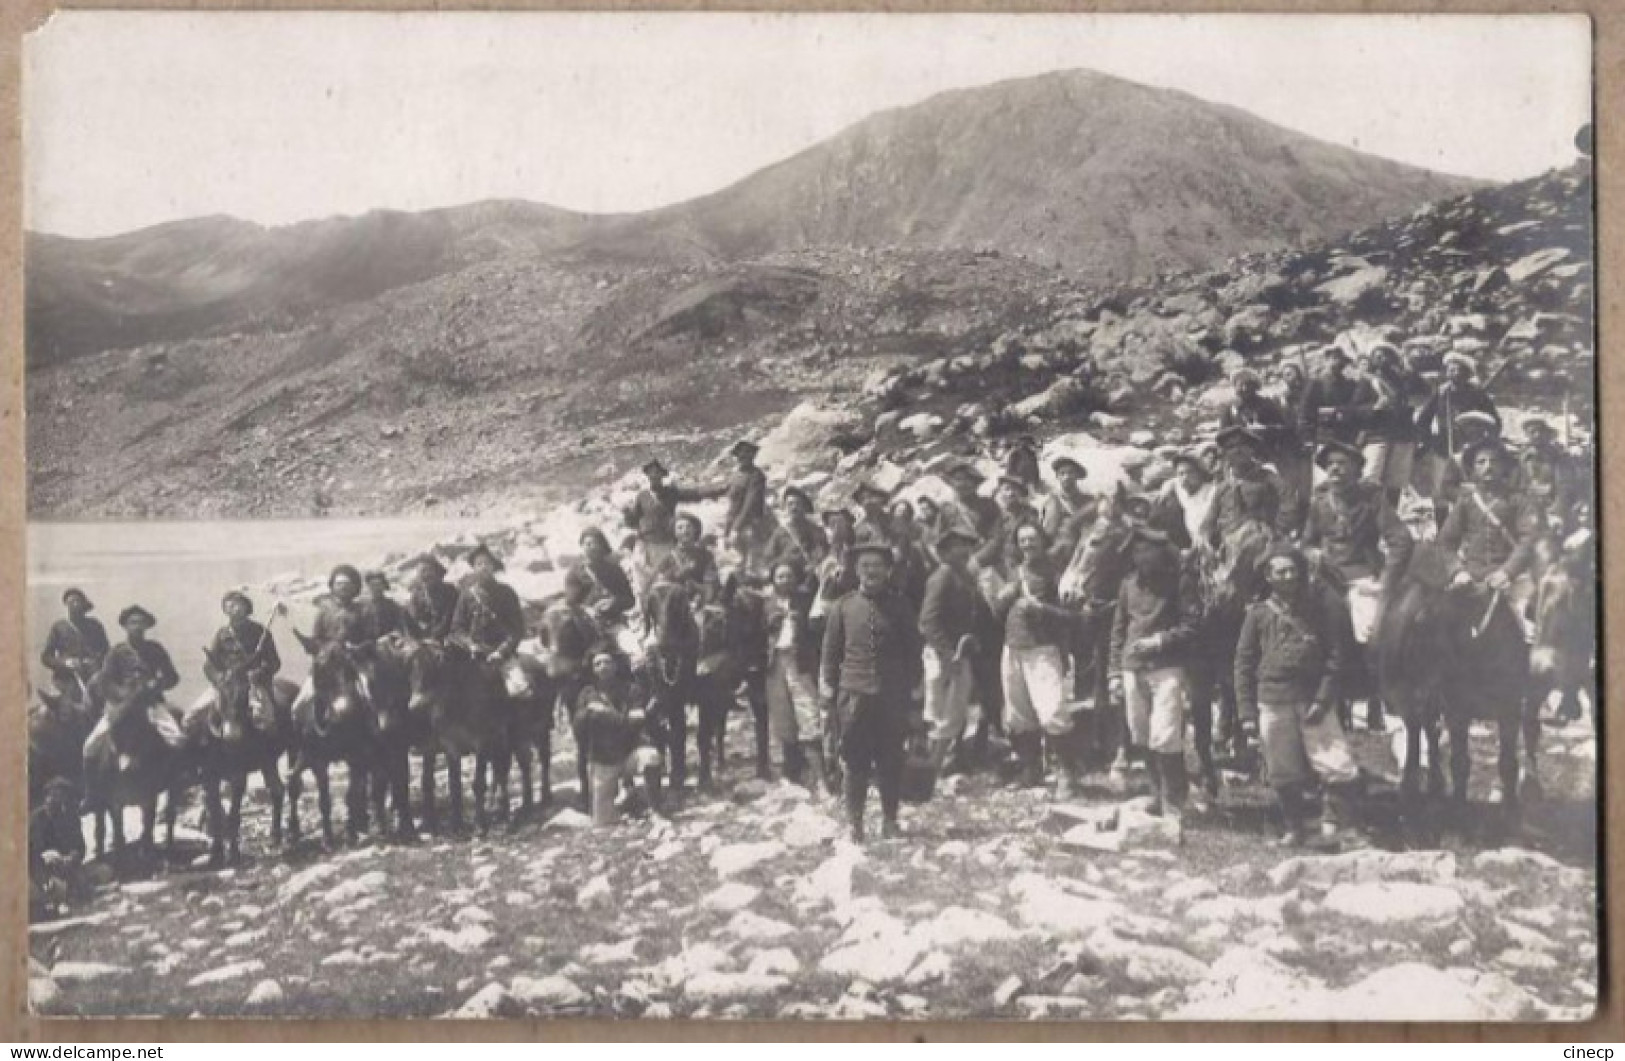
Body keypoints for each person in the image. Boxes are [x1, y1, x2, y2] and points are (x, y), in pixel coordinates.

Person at [1234, 543, 1363, 849]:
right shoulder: (1258, 614)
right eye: (1281, 571)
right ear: (1269, 576)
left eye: (1292, 570)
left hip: (1312, 701)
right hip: (1272, 700)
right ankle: (1294, 829)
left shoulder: (1318, 611)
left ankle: (1341, 828)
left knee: (1337, 764)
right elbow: (1243, 663)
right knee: (1282, 770)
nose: (1288, 577)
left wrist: (1323, 699)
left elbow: (1335, 657)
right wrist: (1247, 714)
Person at [1300, 441, 1414, 732]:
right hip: (1325, 577)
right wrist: (1313, 554)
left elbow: (1400, 539)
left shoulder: (1372, 500)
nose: (1335, 469)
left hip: (1362, 576)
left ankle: (1374, 699)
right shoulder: (1319, 502)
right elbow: (1308, 540)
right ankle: (1323, 700)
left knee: (1371, 632)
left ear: (1356, 470)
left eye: (1342, 464)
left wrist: (1386, 582)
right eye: (1330, 465)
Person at [820, 541, 924, 842]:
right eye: (865, 566)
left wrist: (914, 693)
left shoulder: (901, 606)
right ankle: (855, 824)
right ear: (856, 570)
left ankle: (890, 821)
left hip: (892, 697)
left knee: (891, 758)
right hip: (853, 697)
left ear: (887, 571)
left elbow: (913, 653)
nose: (871, 571)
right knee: (854, 761)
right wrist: (828, 693)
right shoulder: (843, 606)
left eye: (877, 566)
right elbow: (830, 654)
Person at [1109, 526, 1202, 836]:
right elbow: (1118, 631)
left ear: (1161, 552)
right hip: (1132, 666)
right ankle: (1156, 791)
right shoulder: (1127, 585)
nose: (1142, 557)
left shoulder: (1179, 582)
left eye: (1148, 551)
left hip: (1167, 666)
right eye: (1136, 552)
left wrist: (1160, 641)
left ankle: (1174, 800)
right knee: (1141, 733)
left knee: (1165, 734)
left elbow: (1192, 626)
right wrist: (1113, 673)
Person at [998, 526, 1084, 798]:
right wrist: (1003, 597)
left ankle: (1067, 775)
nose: (1027, 544)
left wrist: (1041, 608)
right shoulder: (1013, 572)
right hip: (1012, 648)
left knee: (1052, 713)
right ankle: (1030, 770)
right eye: (1022, 539)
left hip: (1042, 649)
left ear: (1043, 541)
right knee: (1018, 715)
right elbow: (996, 611)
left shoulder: (1056, 574)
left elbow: (1073, 616)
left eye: (1032, 539)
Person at [1436, 438, 1546, 629]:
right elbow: (1446, 541)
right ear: (1473, 469)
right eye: (1481, 462)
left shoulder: (1519, 500)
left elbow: (1529, 539)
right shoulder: (1466, 502)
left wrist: (1508, 572)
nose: (1488, 466)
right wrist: (1457, 572)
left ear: (1504, 467)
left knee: (1529, 628)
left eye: (1494, 461)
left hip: (1512, 581)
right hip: (1471, 582)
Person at [572, 642, 664, 823]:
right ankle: (628, 799)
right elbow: (578, 727)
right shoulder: (587, 694)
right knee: (602, 822)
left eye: (607, 662)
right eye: (597, 664)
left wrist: (604, 714)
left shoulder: (632, 690)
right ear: (593, 670)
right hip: (603, 760)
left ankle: (655, 809)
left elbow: (635, 724)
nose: (602, 667)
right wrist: (588, 714)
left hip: (630, 753)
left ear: (615, 666)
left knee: (651, 756)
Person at [918, 528, 982, 777]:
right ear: (944, 552)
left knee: (953, 708)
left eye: (966, 545)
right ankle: (930, 768)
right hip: (943, 654)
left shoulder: (963, 576)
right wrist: (947, 655)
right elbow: (928, 620)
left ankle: (939, 764)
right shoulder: (943, 576)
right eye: (956, 546)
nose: (963, 550)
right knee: (941, 711)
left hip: (959, 650)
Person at [762, 559, 828, 796]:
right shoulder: (766, 604)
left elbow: (816, 629)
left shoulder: (806, 600)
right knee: (782, 717)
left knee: (808, 713)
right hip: (774, 663)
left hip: (800, 662)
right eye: (780, 576)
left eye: (789, 576)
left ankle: (821, 778)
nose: (784, 581)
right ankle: (792, 774)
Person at [623, 458, 724, 596]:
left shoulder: (671, 493)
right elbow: (632, 521)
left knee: (665, 579)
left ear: (662, 476)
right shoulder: (642, 496)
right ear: (647, 476)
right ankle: (644, 609)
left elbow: (695, 494)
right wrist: (626, 513)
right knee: (642, 580)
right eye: (651, 473)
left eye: (657, 473)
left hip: (665, 543)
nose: (654, 476)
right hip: (645, 543)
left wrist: (719, 489)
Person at [92, 605, 185, 749]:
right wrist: (122, 693)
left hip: (151, 703)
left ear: (146, 626)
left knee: (177, 739)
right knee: (91, 745)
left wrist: (158, 684)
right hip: (122, 705)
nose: (137, 626)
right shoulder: (116, 652)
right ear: (125, 626)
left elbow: (173, 677)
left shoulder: (155, 649)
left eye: (141, 622)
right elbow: (105, 681)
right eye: (133, 622)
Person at [1415, 352, 1502, 498]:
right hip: (1443, 447)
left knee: (1468, 489)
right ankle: (1442, 521)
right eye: (1450, 369)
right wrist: (1428, 440)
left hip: (1470, 448)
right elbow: (1423, 419)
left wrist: (1487, 442)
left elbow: (1494, 421)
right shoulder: (1441, 393)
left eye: (1457, 370)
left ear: (1466, 374)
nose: (1453, 373)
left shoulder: (1477, 394)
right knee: (1440, 491)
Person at [450, 544, 530, 697]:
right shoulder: (466, 595)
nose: (483, 567)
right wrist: (470, 645)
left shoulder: (507, 593)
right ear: (473, 568)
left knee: (521, 690)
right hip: (475, 655)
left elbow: (517, 628)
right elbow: (457, 628)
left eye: (487, 563)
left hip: (503, 655)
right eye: (479, 564)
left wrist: (502, 651)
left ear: (493, 566)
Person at [1346, 344, 1420, 500]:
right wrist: (1375, 407)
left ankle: (1389, 519)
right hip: (1377, 436)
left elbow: (1418, 394)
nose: (1380, 359)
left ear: (1392, 358)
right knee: (1369, 480)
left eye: (1385, 355)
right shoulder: (1368, 381)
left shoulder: (1401, 381)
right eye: (1376, 355)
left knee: (1395, 484)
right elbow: (1354, 409)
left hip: (1401, 437)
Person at [206, 590, 283, 720]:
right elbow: (209, 665)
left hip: (254, 684)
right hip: (227, 684)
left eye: (238, 605)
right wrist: (219, 678)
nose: (233, 609)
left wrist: (259, 673)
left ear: (246, 608)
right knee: (192, 716)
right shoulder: (222, 634)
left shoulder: (260, 632)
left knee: (264, 720)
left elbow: (274, 662)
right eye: (229, 606)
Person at [573, 527, 639, 657]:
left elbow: (630, 600)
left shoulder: (614, 570)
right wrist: (587, 610)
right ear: (582, 546)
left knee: (635, 651)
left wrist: (614, 602)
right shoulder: (575, 573)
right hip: (587, 629)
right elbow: (571, 603)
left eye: (595, 543)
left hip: (613, 623)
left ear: (602, 547)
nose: (591, 547)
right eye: (587, 544)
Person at [40, 587, 109, 702]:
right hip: (65, 679)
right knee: (53, 710)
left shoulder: (95, 625)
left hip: (92, 678)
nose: (74, 605)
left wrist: (94, 662)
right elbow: (46, 657)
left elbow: (106, 651)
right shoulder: (59, 627)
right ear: (66, 605)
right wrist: (65, 662)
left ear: (83, 605)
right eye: (71, 602)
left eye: (78, 601)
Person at [29, 777, 85, 916]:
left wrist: (74, 855)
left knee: (85, 885)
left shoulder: (70, 817)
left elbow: (79, 844)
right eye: (52, 795)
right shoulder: (37, 819)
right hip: (43, 867)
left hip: (66, 864)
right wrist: (49, 856)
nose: (55, 800)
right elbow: (33, 849)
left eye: (61, 796)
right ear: (47, 797)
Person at [760, 485, 831, 586]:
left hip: (813, 577)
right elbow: (768, 558)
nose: (794, 507)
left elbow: (823, 553)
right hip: (789, 580)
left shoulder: (815, 530)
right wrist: (783, 565)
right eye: (790, 504)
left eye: (797, 504)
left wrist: (813, 565)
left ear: (804, 507)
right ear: (785, 508)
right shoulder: (780, 532)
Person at [1298, 345, 1362, 449]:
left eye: (1339, 359)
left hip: (1346, 437)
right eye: (1333, 358)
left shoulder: (1350, 384)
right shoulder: (1316, 383)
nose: (1336, 362)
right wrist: (1307, 438)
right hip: (1324, 437)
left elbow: (1355, 409)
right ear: (1326, 360)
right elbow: (1305, 412)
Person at [722, 439, 771, 573]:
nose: (743, 458)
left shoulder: (757, 476)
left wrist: (736, 528)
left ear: (753, 456)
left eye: (748, 454)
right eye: (741, 455)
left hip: (751, 525)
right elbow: (730, 504)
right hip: (735, 524)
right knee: (737, 564)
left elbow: (750, 503)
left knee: (752, 565)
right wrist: (726, 531)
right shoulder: (735, 476)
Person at [1154, 451, 1217, 551]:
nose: (1185, 478)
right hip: (1195, 547)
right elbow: (1173, 481)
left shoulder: (1212, 491)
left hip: (1214, 544)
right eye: (1181, 474)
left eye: (1190, 472)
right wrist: (1166, 487)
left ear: (1200, 473)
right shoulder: (1182, 490)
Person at [1040, 456, 1097, 562]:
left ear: (1077, 476)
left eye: (1071, 473)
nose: (1067, 477)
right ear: (1057, 477)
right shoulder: (1051, 502)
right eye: (1062, 473)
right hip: (1059, 554)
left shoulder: (1089, 501)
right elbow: (1047, 533)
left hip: (1084, 553)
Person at [654, 512, 721, 599]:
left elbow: (711, 584)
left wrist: (696, 587)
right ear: (674, 533)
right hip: (674, 603)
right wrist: (678, 573)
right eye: (680, 528)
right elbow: (660, 586)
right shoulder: (668, 557)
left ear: (695, 530)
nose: (685, 531)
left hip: (701, 602)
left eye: (688, 526)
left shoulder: (706, 555)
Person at [406, 555, 459, 642]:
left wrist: (434, 635)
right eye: (422, 571)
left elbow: (449, 617)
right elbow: (415, 619)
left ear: (437, 573)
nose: (426, 575)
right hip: (427, 639)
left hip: (450, 635)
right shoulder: (416, 596)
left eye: (429, 570)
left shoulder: (449, 590)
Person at [362, 571, 408, 638]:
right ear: (369, 587)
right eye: (373, 585)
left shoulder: (391, 604)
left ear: (383, 586)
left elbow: (401, 625)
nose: (376, 588)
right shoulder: (365, 608)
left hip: (394, 640)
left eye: (378, 585)